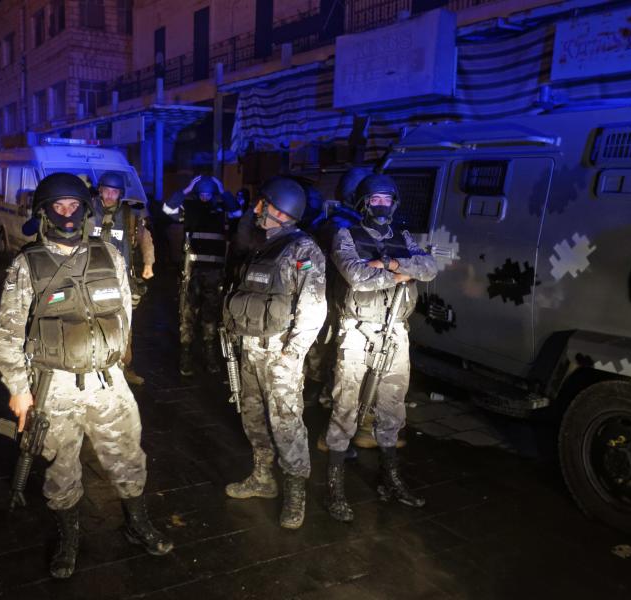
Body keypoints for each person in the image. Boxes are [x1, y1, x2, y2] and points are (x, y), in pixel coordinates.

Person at [0, 173, 172, 580]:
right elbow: (6, 335)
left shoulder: (111, 255)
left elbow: (125, 311)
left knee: (128, 454)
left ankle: (137, 522)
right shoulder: (27, 266)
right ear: (45, 212)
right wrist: (19, 390)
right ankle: (69, 536)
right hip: (54, 388)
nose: (68, 214)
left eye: (74, 206)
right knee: (61, 467)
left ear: (86, 209)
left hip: (108, 383)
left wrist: (114, 357)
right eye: (59, 206)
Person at [324, 173, 438, 523]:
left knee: (392, 408)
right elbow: (357, 277)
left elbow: (430, 267)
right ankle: (335, 488)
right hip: (360, 332)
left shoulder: (402, 237)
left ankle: (390, 480)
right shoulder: (346, 235)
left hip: (396, 334)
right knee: (346, 407)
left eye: (387, 199)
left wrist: (387, 265)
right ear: (363, 203)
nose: (381, 205)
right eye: (374, 199)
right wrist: (405, 272)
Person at [222, 176, 327, 529]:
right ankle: (262, 478)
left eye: (261, 204)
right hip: (249, 349)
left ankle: (296, 494)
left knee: (286, 424)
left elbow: (314, 307)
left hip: (280, 353)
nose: (255, 210)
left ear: (280, 211)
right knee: (252, 417)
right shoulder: (259, 244)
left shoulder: (302, 251)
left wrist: (292, 355)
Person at [163, 175, 237, 375]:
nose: (205, 198)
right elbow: (167, 210)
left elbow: (238, 212)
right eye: (202, 194)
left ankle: (210, 354)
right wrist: (186, 190)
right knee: (187, 314)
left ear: (213, 194)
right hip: (192, 271)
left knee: (210, 316)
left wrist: (223, 191)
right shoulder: (190, 209)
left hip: (214, 273)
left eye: (208, 194)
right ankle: (185, 355)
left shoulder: (222, 211)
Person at [90, 171, 155, 385]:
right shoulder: (88, 211)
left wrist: (148, 263)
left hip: (121, 278)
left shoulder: (129, 215)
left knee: (125, 324)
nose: (110, 195)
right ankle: (95, 369)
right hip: (92, 279)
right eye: (106, 191)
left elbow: (145, 238)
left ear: (120, 193)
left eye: (114, 192)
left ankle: (126, 367)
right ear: (100, 190)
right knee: (93, 324)